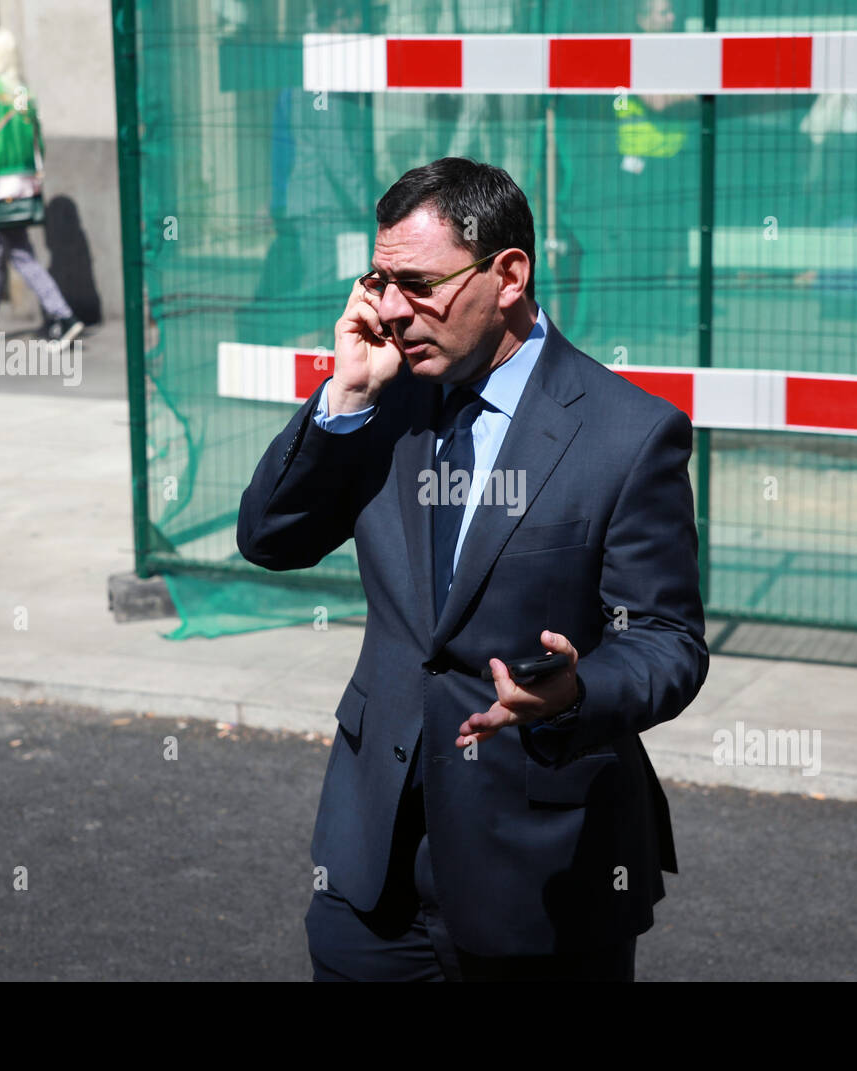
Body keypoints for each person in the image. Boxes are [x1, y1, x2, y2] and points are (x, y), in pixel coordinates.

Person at [237, 158, 709, 981]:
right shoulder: (384, 400)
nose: (390, 309)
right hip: (370, 867)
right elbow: (271, 537)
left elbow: (667, 642)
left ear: (509, 275)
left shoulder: (628, 435)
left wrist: (577, 691)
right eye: (380, 280)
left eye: (419, 283)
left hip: (543, 874)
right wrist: (343, 399)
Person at [0, 27, 82, 346]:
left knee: (17, 254)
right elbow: (36, 140)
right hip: (23, 184)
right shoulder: (21, 92)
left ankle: (63, 316)